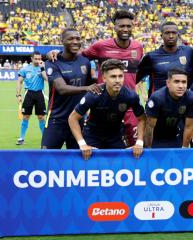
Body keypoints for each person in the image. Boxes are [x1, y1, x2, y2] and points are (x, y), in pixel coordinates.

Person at [48, 10, 143, 147]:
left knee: (134, 149)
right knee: (97, 148)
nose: (125, 29)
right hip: (102, 104)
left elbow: (137, 73)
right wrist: (55, 54)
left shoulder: (138, 47)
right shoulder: (101, 46)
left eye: (128, 26)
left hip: (129, 105)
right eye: (121, 26)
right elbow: (77, 56)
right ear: (114, 27)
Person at [68, 59, 146, 160]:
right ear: (104, 78)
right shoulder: (94, 95)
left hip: (116, 137)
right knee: (92, 169)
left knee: (119, 167)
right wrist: (82, 144)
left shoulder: (131, 96)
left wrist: (139, 142)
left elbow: (142, 118)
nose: (117, 80)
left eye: (120, 76)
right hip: (93, 136)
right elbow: (72, 118)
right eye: (113, 76)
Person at [41, 28, 100, 149]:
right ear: (62, 41)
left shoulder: (85, 62)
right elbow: (61, 89)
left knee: (77, 160)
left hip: (77, 118)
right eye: (70, 38)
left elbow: (91, 88)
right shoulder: (52, 62)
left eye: (78, 39)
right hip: (56, 119)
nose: (75, 41)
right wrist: (87, 88)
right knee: (46, 157)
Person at [136, 21, 193, 97]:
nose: (171, 36)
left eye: (174, 33)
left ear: (178, 35)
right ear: (161, 35)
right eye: (167, 33)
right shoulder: (151, 57)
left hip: (183, 102)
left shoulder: (189, 52)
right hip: (159, 102)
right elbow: (135, 78)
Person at [144, 68, 193, 148]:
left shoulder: (192, 98)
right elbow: (149, 127)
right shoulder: (157, 98)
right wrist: (148, 148)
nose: (181, 86)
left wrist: (184, 148)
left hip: (175, 135)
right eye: (176, 82)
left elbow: (188, 126)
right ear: (168, 83)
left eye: (184, 82)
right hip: (156, 137)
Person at [15, 51, 48, 145]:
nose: (38, 60)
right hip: (28, 94)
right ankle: (21, 138)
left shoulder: (42, 68)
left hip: (39, 94)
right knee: (25, 116)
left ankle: (45, 139)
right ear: (32, 59)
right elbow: (19, 82)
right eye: (36, 58)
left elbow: (46, 79)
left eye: (39, 58)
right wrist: (18, 95)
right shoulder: (25, 69)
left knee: (41, 117)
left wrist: (42, 69)